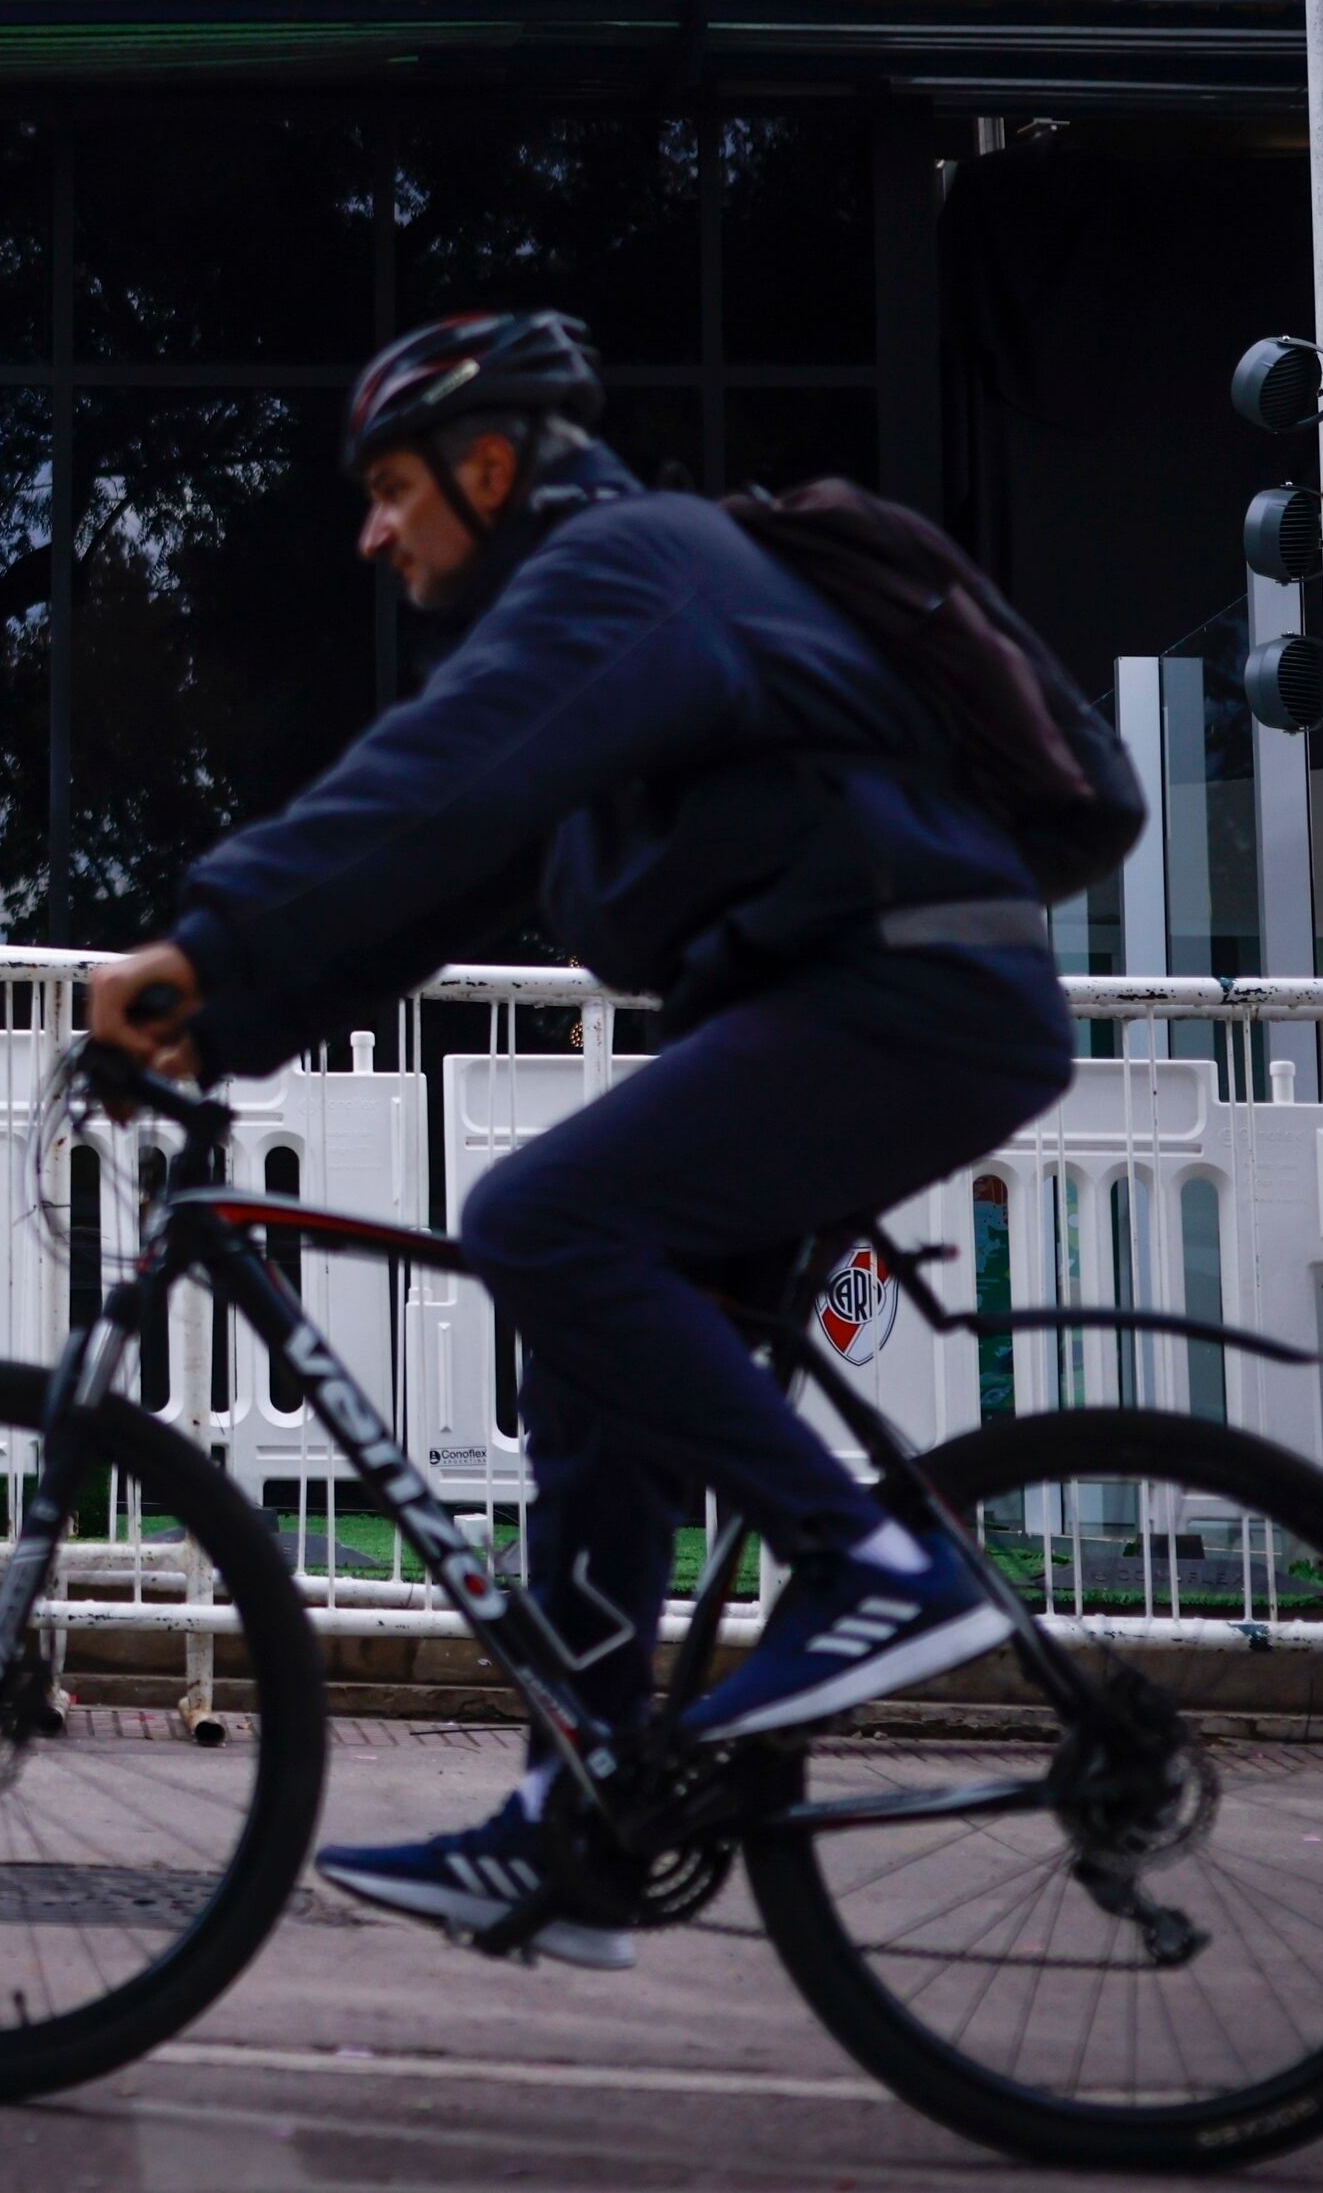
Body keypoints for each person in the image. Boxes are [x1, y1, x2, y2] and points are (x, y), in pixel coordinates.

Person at [85, 311, 1073, 1969]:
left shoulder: (634, 569)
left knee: (540, 1214)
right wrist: (222, 1024)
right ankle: (580, 1820)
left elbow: (437, 782)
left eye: (394, 489)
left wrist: (205, 934)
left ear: (490, 466)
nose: (370, 530)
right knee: (587, 1373)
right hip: (861, 998)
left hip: (911, 991)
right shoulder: (614, 634)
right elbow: (434, 887)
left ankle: (872, 1564)